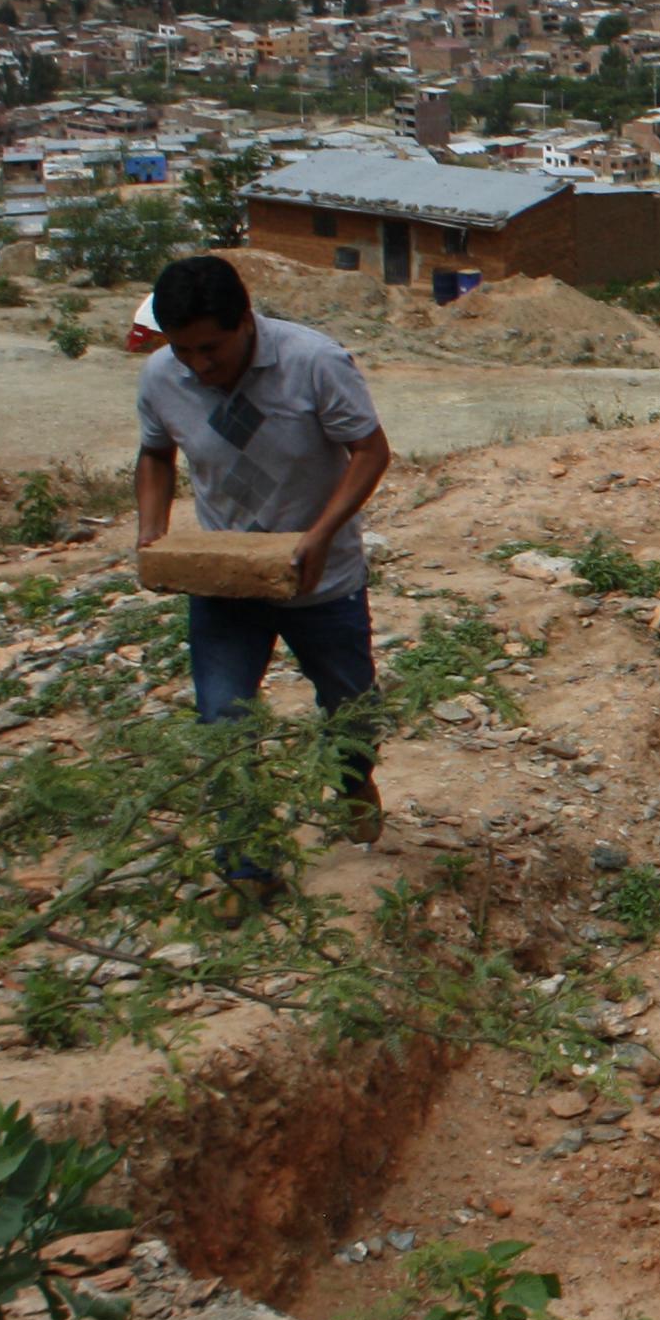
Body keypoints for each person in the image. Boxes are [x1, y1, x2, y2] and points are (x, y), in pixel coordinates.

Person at [133, 255, 393, 878]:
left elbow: (370, 451)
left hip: (323, 579)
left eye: (211, 349)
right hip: (226, 580)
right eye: (183, 350)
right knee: (223, 722)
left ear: (246, 321)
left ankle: (353, 780)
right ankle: (245, 866)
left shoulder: (314, 362)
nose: (199, 365)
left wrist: (320, 536)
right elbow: (155, 454)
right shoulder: (162, 376)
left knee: (350, 708)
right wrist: (151, 530)